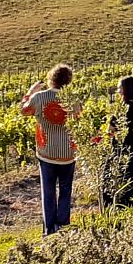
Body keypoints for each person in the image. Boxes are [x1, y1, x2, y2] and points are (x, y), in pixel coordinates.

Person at [20, 63, 78, 235]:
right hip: (68, 152)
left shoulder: (39, 98)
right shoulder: (73, 99)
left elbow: (24, 111)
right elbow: (78, 120)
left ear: (51, 78)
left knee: (48, 190)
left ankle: (49, 228)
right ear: (69, 81)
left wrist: (30, 92)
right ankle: (63, 225)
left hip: (46, 152)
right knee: (66, 190)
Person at [102, 77, 133, 209]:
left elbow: (112, 129)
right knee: (130, 175)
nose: (118, 90)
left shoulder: (124, 107)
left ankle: (115, 205)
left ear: (126, 89)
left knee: (113, 174)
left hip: (123, 146)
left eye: (120, 87)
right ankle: (128, 204)